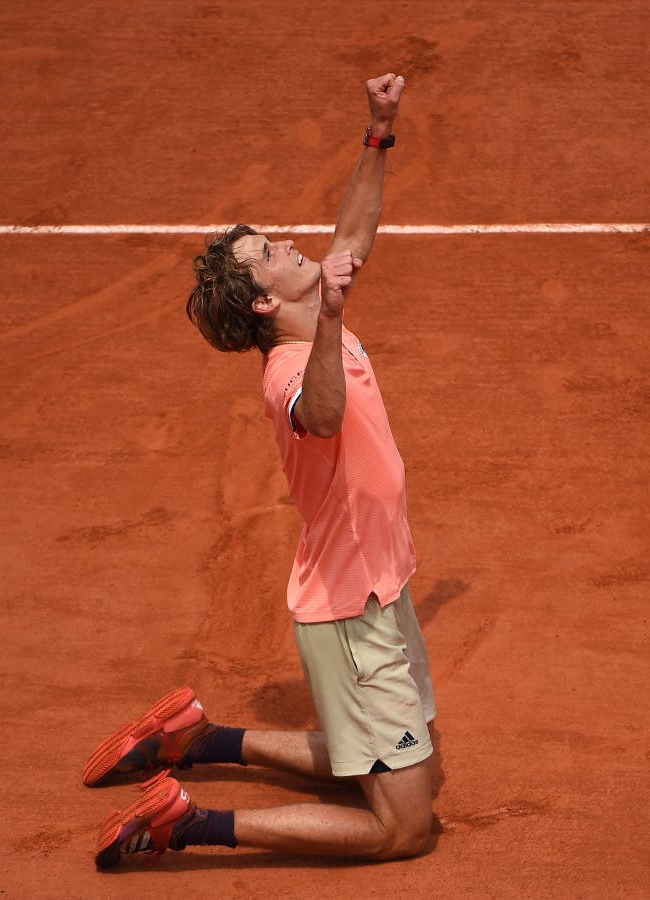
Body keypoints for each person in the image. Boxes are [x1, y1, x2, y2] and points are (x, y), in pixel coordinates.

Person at [85, 72, 442, 869]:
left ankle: (200, 738)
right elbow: (320, 416)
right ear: (260, 303)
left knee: (413, 769)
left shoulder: (311, 314)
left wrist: (379, 132)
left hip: (380, 584)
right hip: (353, 611)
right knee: (405, 827)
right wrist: (338, 318)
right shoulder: (288, 369)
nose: (289, 245)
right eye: (268, 254)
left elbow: (354, 230)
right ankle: (191, 824)